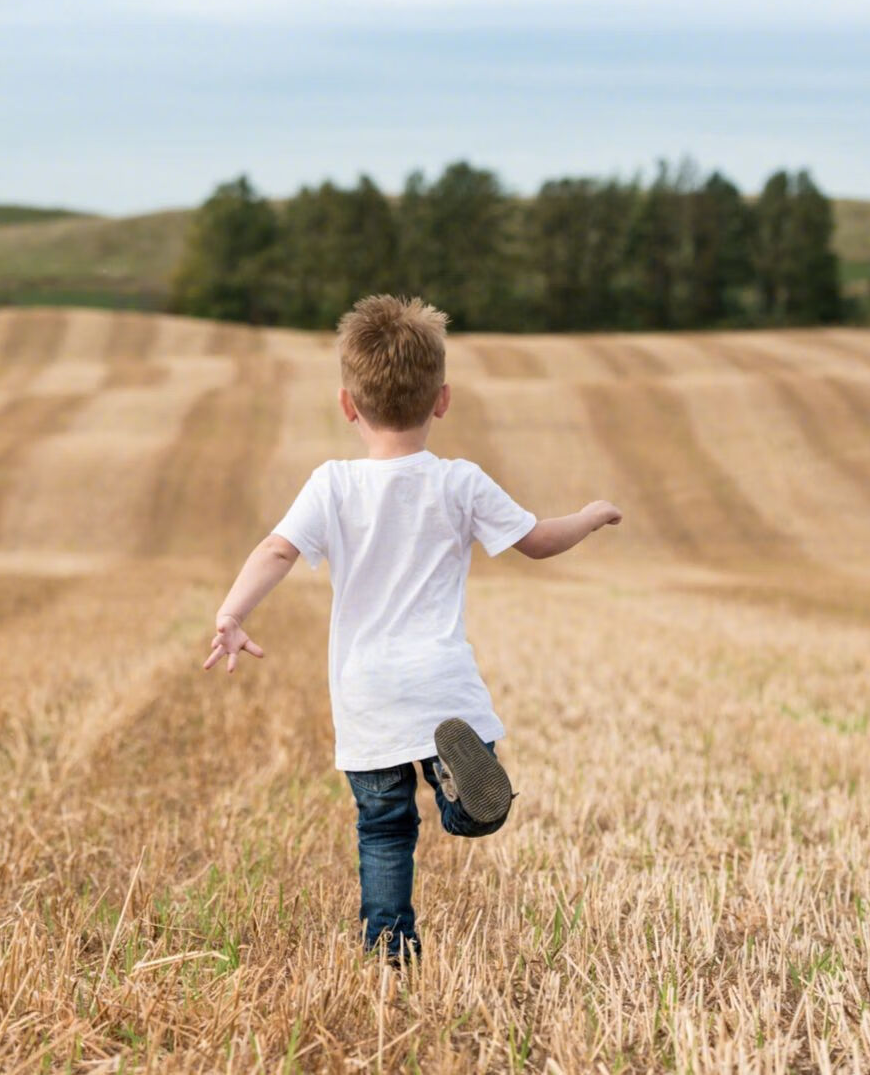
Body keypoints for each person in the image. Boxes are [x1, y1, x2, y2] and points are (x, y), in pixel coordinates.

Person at [202, 294, 622, 964]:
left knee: (384, 828)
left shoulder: (332, 484)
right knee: (466, 803)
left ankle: (390, 946)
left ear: (347, 404)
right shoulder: (457, 481)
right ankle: (466, 802)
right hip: (440, 684)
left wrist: (231, 612)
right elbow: (539, 541)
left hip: (366, 691)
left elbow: (276, 549)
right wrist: (592, 514)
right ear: (442, 399)